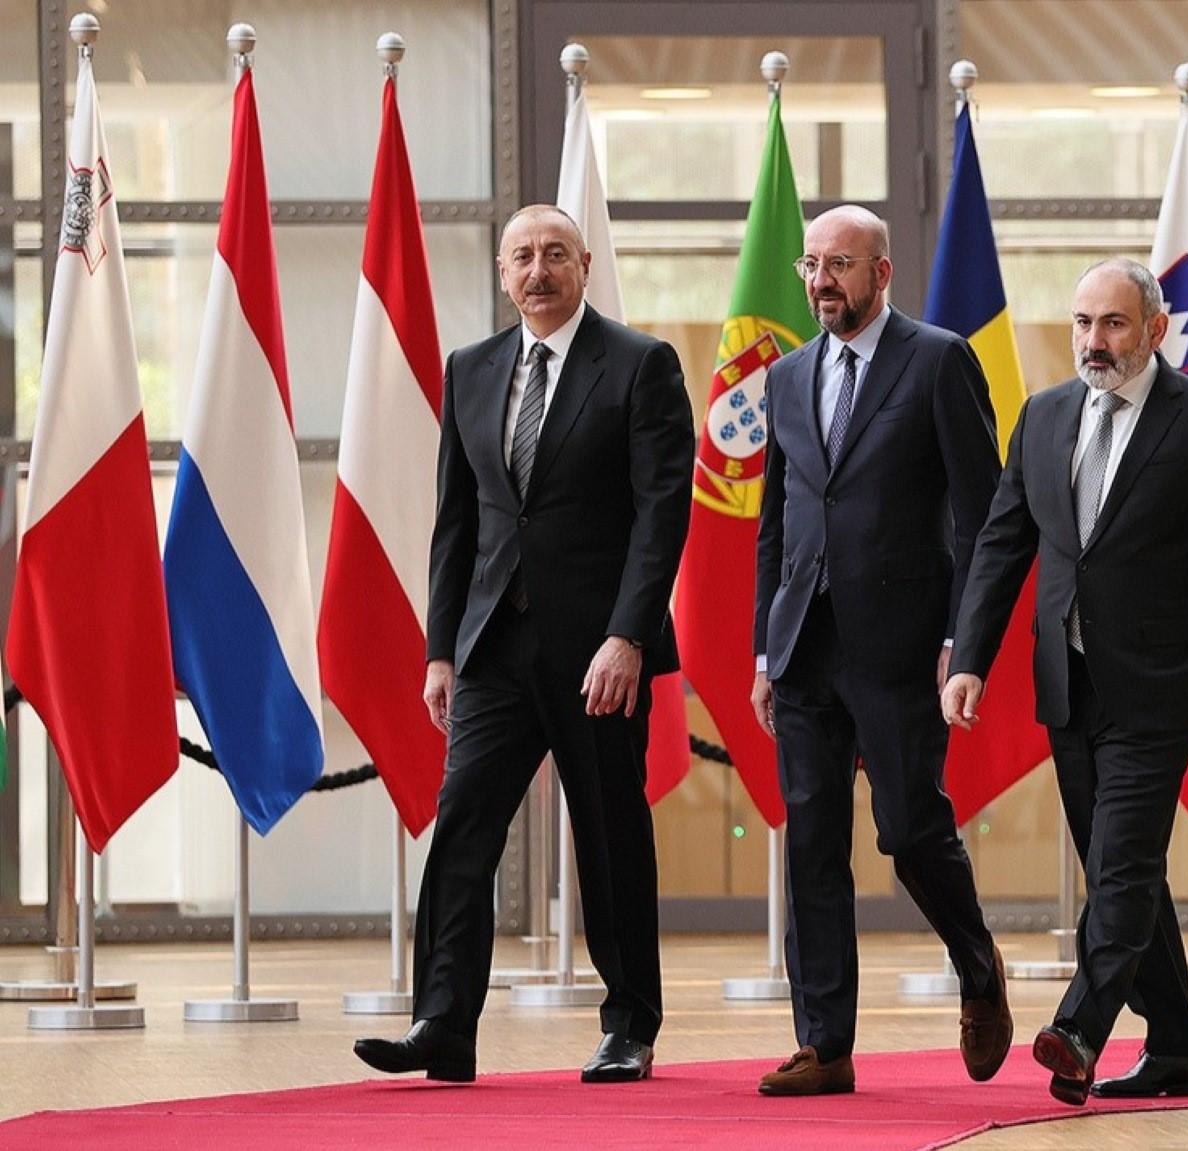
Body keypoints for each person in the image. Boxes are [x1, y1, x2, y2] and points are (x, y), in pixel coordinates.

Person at [355, 205, 693, 1085]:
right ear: (503, 276)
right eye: (520, 258)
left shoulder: (640, 364)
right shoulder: (471, 370)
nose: (537, 271)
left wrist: (628, 636)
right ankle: (443, 1022)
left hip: (599, 653)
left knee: (610, 834)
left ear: (583, 263)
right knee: (463, 821)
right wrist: (441, 650)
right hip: (494, 645)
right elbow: (455, 524)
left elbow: (663, 516)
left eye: (553, 254)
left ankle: (629, 1024)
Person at [941, 257, 1188, 1106]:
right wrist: (970, 653)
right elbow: (1001, 546)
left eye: (1114, 324)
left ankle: (1080, 1027)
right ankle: (1178, 1051)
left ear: (1155, 330)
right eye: (1084, 322)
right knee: (1126, 870)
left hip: (1162, 689)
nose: (1094, 340)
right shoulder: (1045, 417)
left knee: (1119, 866)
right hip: (1070, 686)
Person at [750, 204, 1012, 1095]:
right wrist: (762, 651)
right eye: (812, 264)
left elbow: (984, 518)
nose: (823, 280)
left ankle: (979, 968)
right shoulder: (786, 377)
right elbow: (775, 524)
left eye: (841, 265)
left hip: (903, 648)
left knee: (907, 830)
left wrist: (962, 638)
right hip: (804, 648)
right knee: (812, 840)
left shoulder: (938, 359)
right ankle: (824, 1042)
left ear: (882, 272)